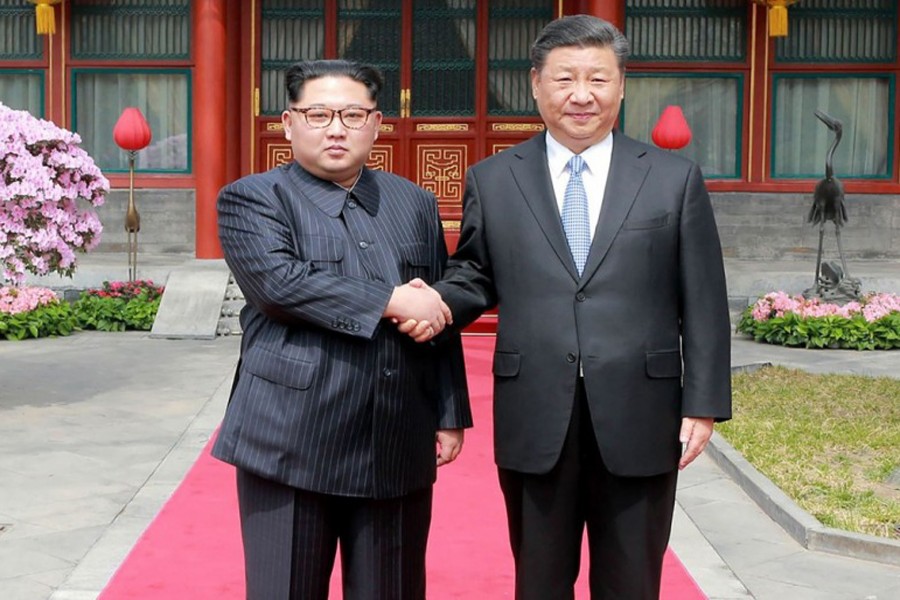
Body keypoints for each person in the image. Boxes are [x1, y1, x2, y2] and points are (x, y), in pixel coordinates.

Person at [411, 14, 732, 600]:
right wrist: (432, 301)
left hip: (643, 408)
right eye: (564, 78)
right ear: (536, 84)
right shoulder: (494, 178)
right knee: (539, 579)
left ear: (622, 85)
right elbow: (477, 274)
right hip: (536, 410)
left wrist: (705, 402)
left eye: (597, 79)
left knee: (633, 579)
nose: (581, 95)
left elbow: (705, 297)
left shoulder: (672, 178)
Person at [212, 59, 472, 600]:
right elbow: (279, 284)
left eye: (353, 114)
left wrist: (449, 414)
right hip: (288, 438)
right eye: (319, 114)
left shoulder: (416, 203)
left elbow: (436, 317)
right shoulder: (253, 197)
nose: (336, 128)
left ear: (377, 124)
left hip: (395, 437)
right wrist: (389, 298)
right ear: (288, 123)